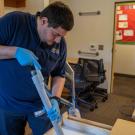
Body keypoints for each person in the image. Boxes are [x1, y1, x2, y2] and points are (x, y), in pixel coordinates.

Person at [0, 1, 74, 135]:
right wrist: (15, 52)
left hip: (41, 104)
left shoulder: (60, 44)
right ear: (44, 21)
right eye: (56, 34)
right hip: (8, 104)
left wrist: (55, 99)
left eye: (62, 36)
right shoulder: (15, 21)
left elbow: (59, 74)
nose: (58, 40)